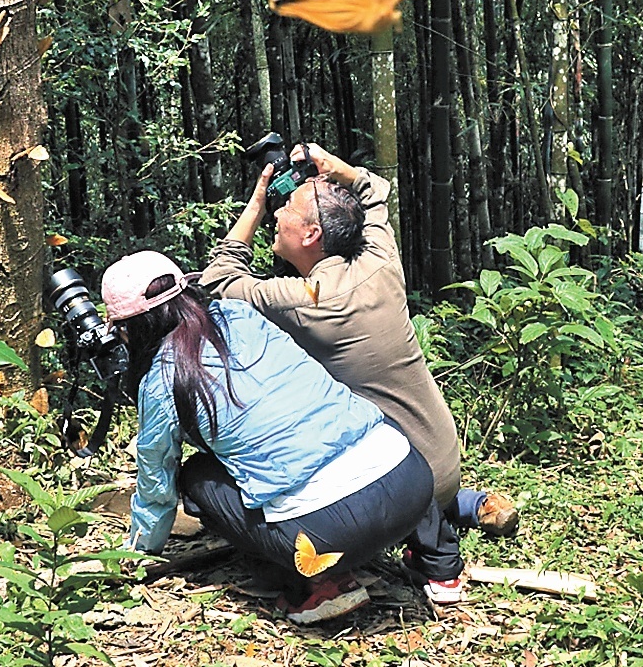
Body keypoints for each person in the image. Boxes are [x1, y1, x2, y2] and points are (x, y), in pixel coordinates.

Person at [200, 143, 518, 605]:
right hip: (444, 449)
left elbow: (216, 281)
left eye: (284, 209)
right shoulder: (380, 260)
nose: (274, 214)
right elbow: (375, 193)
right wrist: (338, 169)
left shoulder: (303, 298)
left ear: (310, 234)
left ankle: (432, 537)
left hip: (401, 479)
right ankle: (465, 506)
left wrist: (253, 203)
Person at [101, 249, 436, 624]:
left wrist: (134, 556)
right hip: (411, 480)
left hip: (329, 537)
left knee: (195, 476)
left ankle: (324, 586)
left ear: (133, 328)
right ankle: (439, 565)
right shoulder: (239, 315)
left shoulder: (162, 381)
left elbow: (156, 488)